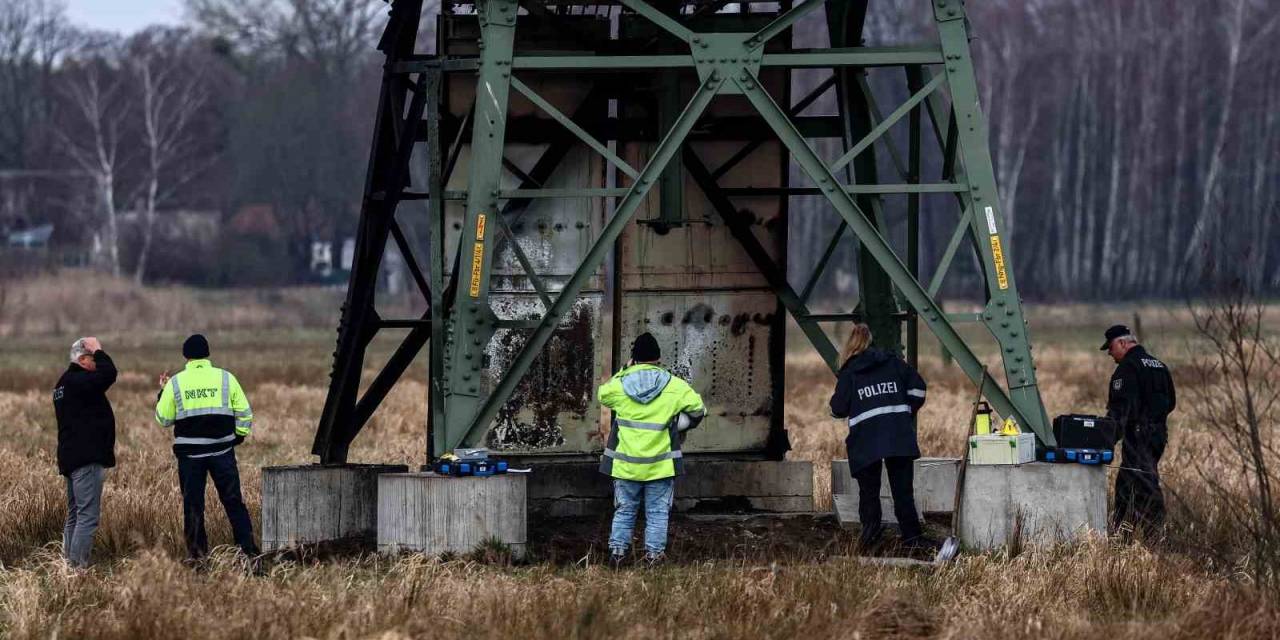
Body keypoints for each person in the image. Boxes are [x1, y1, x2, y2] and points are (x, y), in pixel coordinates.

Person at [598, 332, 705, 568]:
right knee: (657, 512)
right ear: (658, 358)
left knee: (625, 510)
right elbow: (699, 409)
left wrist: (625, 370)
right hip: (660, 466)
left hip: (626, 466)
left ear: (634, 359)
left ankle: (617, 555)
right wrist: (680, 424)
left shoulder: (619, 385)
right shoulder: (675, 386)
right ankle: (654, 558)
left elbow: (602, 394)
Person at [154, 334, 259, 560]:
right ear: (207, 353)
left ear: (186, 356)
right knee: (233, 502)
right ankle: (248, 552)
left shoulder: (176, 383)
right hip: (222, 451)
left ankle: (198, 558)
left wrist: (162, 392)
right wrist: (237, 437)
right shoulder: (226, 378)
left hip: (190, 457)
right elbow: (245, 413)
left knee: (193, 507)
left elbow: (163, 419)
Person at [828, 323, 932, 551]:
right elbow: (919, 390)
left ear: (850, 346)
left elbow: (837, 408)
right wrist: (905, 410)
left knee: (869, 492)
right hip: (898, 434)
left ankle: (870, 536)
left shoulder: (850, 372)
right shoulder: (893, 363)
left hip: (866, 440)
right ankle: (912, 539)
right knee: (903, 491)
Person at [1101, 324, 1176, 537]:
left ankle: (1157, 537)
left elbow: (1120, 410)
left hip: (1138, 435)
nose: (1109, 353)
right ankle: (1121, 533)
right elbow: (1171, 402)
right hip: (1158, 435)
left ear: (1123, 343)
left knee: (1145, 483)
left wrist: (1105, 441)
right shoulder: (1159, 366)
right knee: (1126, 483)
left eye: (1111, 347)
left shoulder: (1128, 368)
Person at [52, 336, 118, 568]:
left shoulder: (63, 382)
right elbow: (109, 374)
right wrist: (99, 349)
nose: (96, 363)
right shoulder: (79, 381)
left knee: (75, 515)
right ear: (82, 360)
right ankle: (77, 571)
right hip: (86, 458)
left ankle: (67, 568)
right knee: (88, 517)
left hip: (70, 458)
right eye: (93, 358)